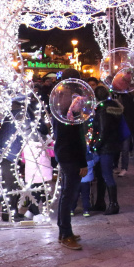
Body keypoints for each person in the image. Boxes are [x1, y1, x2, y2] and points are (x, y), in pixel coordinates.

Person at [52, 69, 89, 250]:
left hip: (63, 151)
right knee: (69, 194)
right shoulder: (70, 103)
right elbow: (76, 136)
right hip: (70, 154)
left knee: (67, 193)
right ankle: (65, 234)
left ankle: (65, 231)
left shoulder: (59, 98)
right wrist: (82, 162)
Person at [91, 86, 124, 214]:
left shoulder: (103, 110)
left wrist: (96, 145)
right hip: (111, 145)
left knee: (106, 175)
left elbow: (103, 131)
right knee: (100, 175)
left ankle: (113, 204)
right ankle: (100, 202)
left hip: (106, 147)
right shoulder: (111, 107)